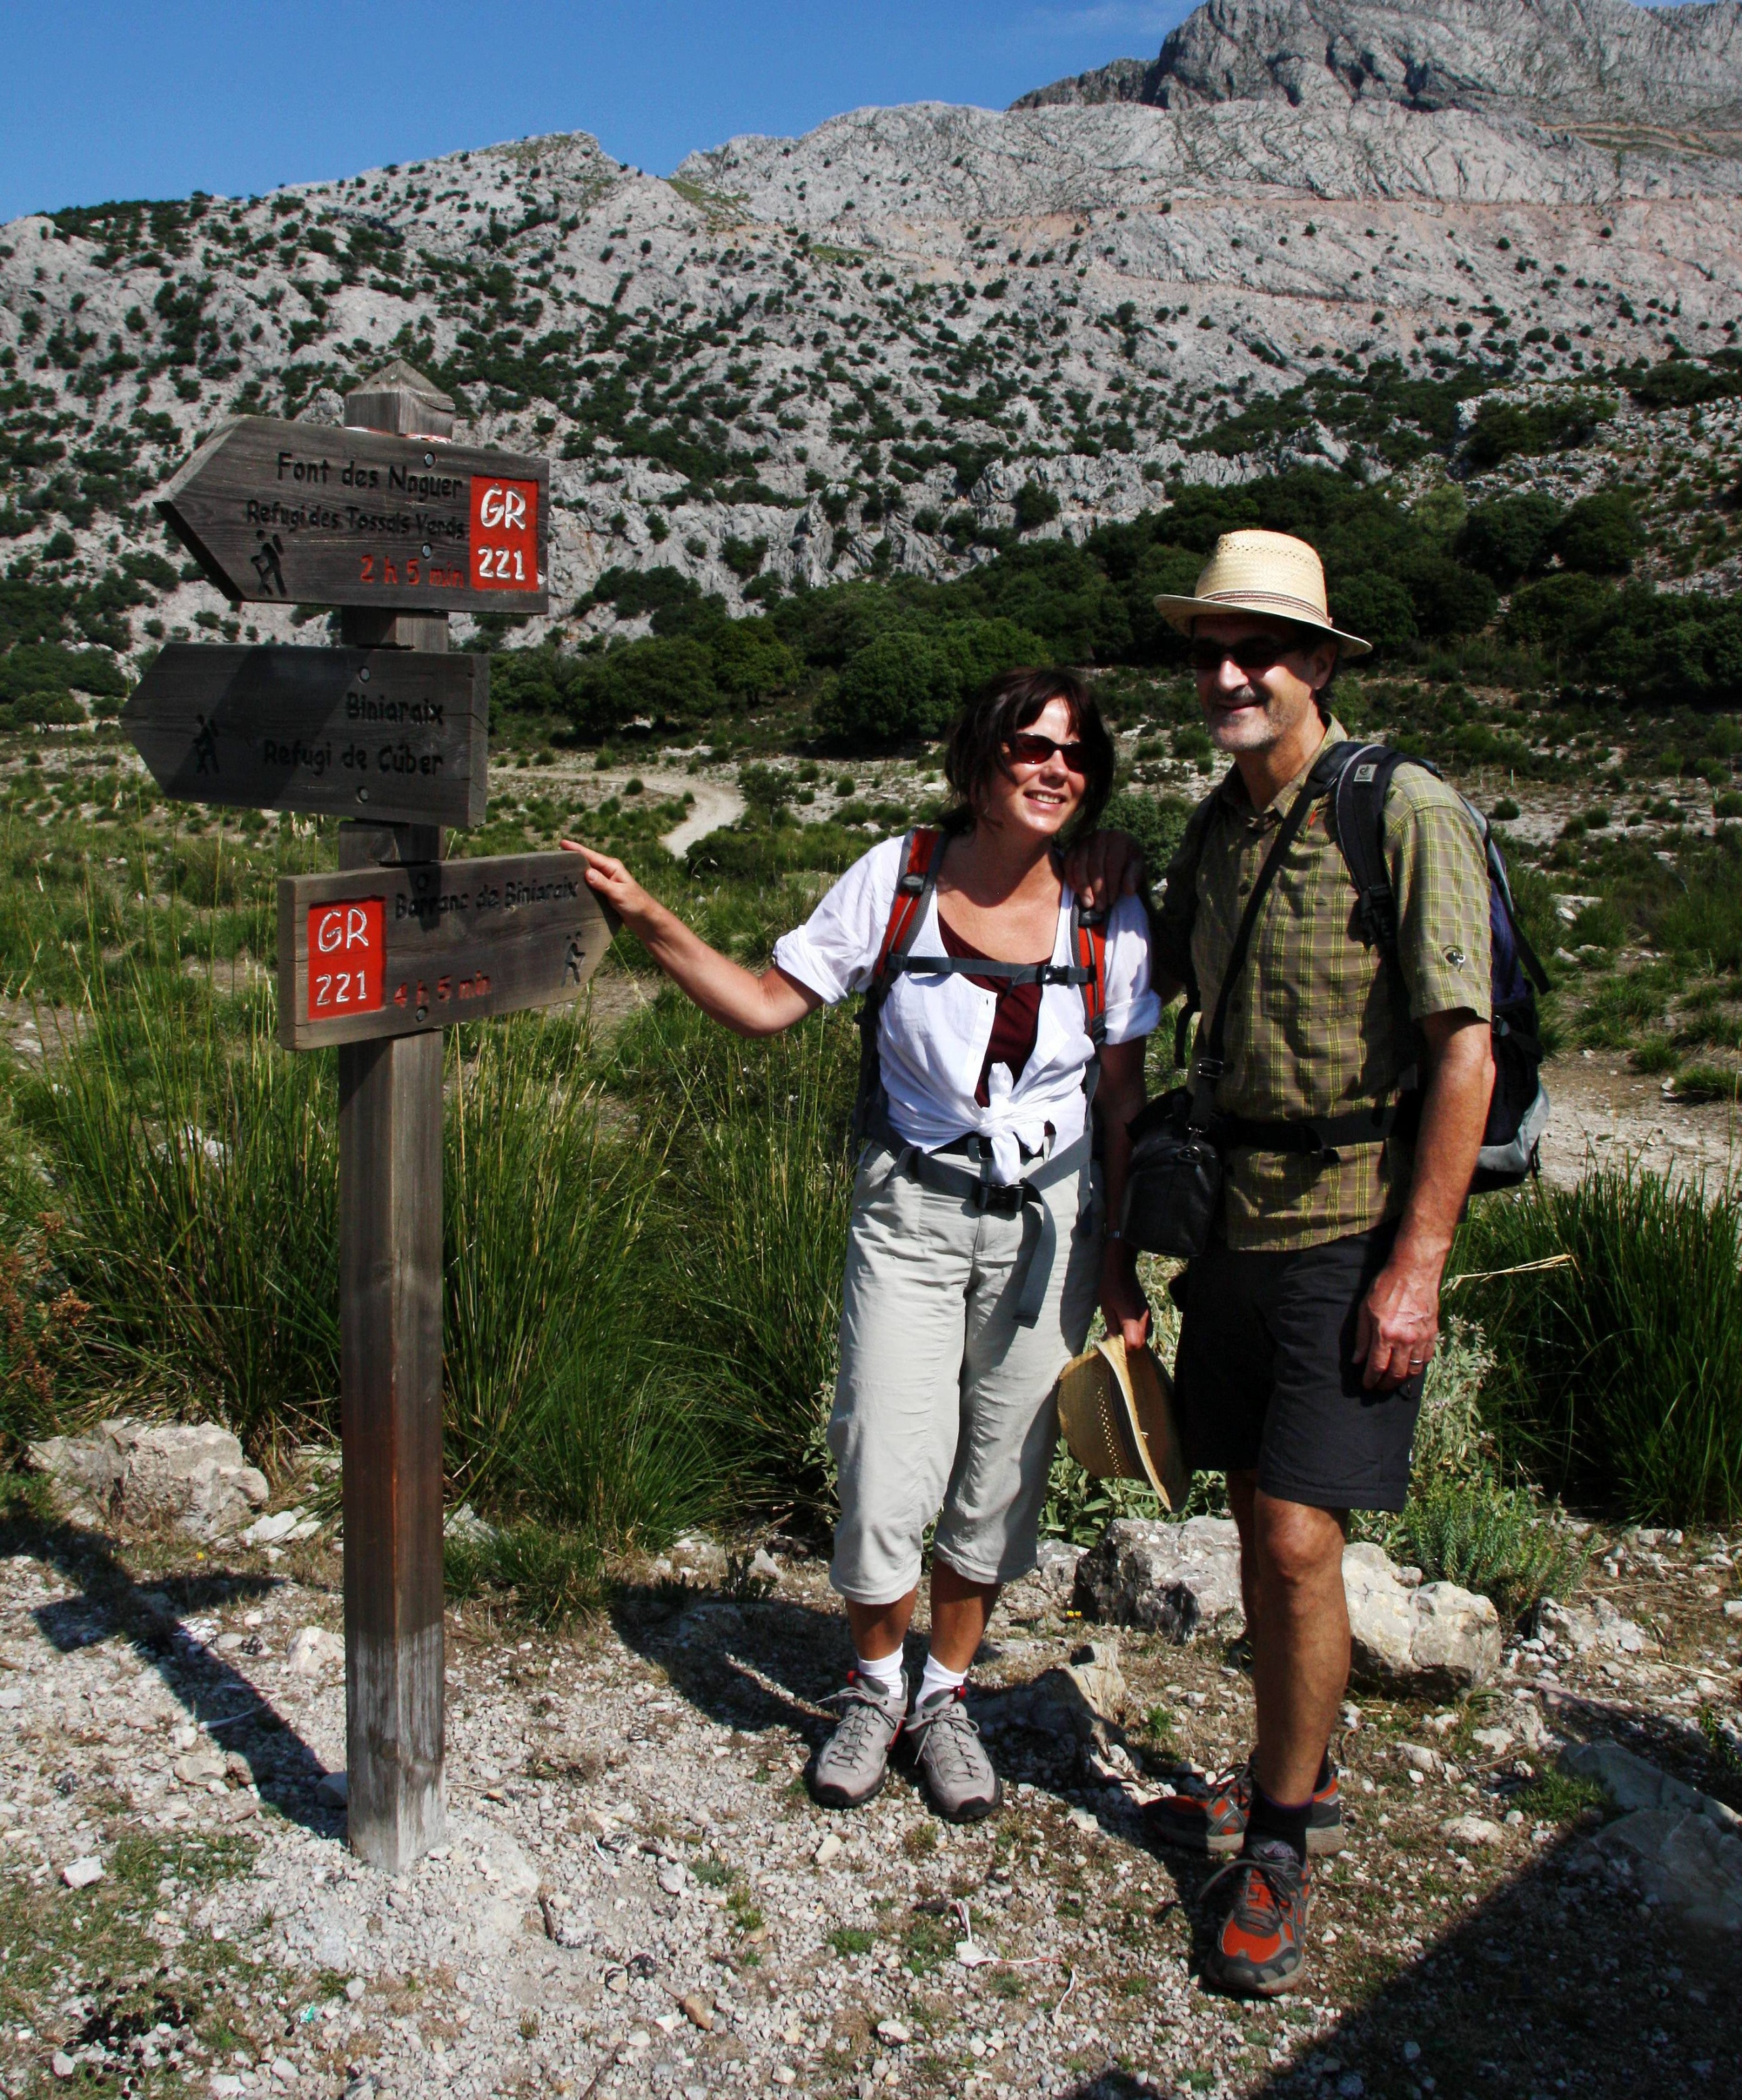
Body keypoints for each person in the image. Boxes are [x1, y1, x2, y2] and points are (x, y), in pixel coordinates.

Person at [564, 669, 1159, 1823]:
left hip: (1055, 1226)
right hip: (913, 1211)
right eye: (1030, 746)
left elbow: (1125, 1102)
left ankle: (946, 1696)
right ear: (978, 762)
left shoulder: (1107, 905)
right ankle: (874, 1686)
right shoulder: (899, 879)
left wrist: (1126, 1265)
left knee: (1003, 1471)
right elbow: (765, 1000)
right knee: (885, 1455)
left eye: (1077, 754)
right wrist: (650, 918)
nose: (1054, 768)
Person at [1143, 531, 1494, 1997]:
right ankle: (1291, 1756)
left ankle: (1279, 1835)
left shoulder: (1401, 808)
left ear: (1322, 665)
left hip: (1349, 1219)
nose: (1231, 673)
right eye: (1214, 648)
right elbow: (1145, 983)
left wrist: (1415, 1266)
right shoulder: (1213, 826)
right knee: (1252, 1519)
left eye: (1263, 649)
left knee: (1295, 1536)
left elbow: (1462, 1044)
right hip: (1232, 1213)